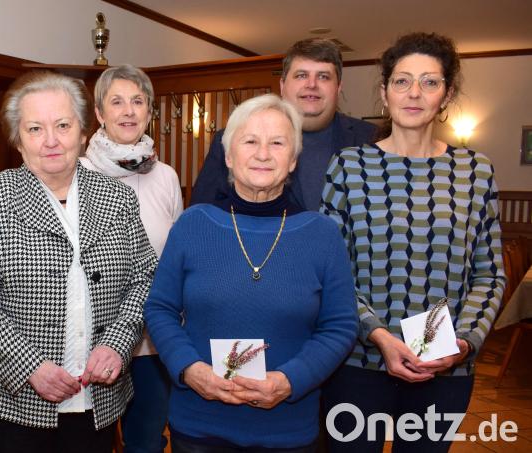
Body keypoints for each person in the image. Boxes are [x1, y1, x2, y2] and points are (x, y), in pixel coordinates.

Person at [320, 32, 506, 452]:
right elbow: (330, 272)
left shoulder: (475, 170)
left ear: (447, 93)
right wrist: (381, 337)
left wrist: (463, 342)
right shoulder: (349, 166)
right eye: (402, 81)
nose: (414, 93)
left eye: (430, 82)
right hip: (359, 363)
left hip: (447, 368)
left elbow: (490, 272)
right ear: (384, 90)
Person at [0, 71, 158, 453]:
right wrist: (30, 365)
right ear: (17, 140)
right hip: (15, 401)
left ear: (83, 131)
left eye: (63, 125)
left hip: (97, 395)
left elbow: (145, 277)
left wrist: (117, 343)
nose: (50, 140)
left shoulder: (118, 198)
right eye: (34, 128)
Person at [145, 93, 358, 452]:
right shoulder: (192, 225)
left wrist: (291, 381)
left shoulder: (322, 234)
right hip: (199, 424)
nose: (263, 153)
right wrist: (189, 369)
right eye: (250, 141)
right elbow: (159, 309)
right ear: (229, 156)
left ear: (292, 160)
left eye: (277, 143)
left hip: (287, 429)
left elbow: (340, 326)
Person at [80, 63, 183, 453]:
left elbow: (173, 256)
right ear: (100, 113)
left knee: (146, 441)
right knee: (91, 440)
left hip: (152, 341)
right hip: (95, 338)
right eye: (117, 102)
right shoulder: (78, 172)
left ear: (149, 111)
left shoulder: (166, 177)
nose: (128, 111)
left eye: (138, 101)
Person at [190, 38, 376, 210]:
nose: (311, 84)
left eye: (323, 77)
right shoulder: (231, 140)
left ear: (338, 87)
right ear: (282, 85)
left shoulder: (371, 139)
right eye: (301, 75)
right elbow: (203, 213)